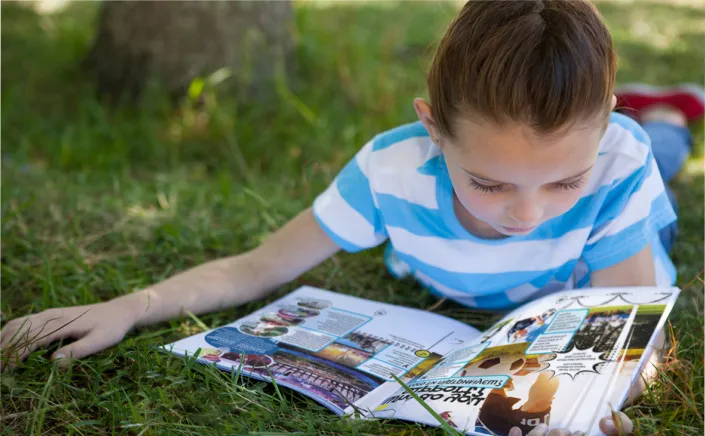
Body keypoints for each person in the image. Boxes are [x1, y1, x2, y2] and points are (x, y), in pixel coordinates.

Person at [1, 1, 703, 434]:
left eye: (563, 180)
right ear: (431, 129)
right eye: (487, 182)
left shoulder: (616, 162)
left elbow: (626, 333)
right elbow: (255, 268)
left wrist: (587, 407)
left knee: (663, 151)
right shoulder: (389, 171)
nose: (526, 213)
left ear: (601, 133)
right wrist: (130, 306)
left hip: (603, 234)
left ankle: (664, 111)